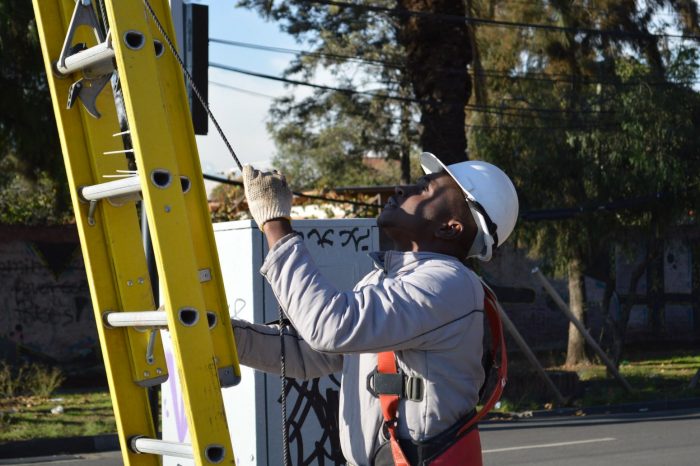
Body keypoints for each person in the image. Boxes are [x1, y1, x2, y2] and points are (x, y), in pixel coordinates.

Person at [232, 152, 519, 466]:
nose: (401, 190)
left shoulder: (447, 284)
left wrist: (275, 224)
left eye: (424, 190)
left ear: (450, 229)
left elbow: (330, 328)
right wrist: (225, 337)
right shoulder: (387, 279)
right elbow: (309, 352)